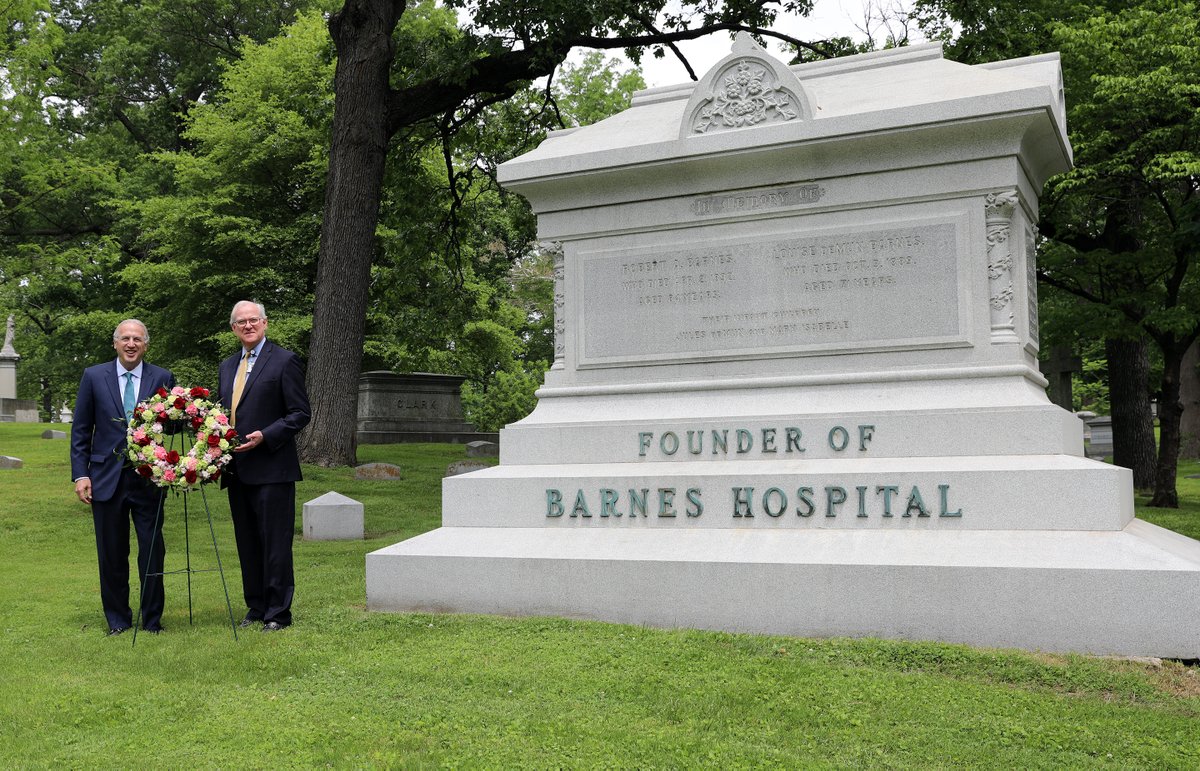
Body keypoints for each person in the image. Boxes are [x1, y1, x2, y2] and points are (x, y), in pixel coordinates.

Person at [70, 319, 176, 636]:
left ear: (146, 344)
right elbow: (80, 430)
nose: (131, 344)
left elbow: (172, 425)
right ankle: (117, 619)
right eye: (125, 338)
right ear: (115, 343)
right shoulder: (93, 376)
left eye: (137, 339)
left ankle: (152, 620)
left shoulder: (162, 377)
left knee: (152, 550)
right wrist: (80, 475)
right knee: (112, 553)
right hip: (104, 478)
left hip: (149, 477)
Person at [218, 301, 310, 632]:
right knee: (248, 542)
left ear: (265, 323)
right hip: (237, 470)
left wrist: (266, 435)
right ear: (233, 328)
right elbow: (221, 414)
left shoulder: (284, 361)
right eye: (240, 322)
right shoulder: (227, 367)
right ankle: (256, 606)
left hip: (273, 468)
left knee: (274, 543)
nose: (247, 325)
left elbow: (300, 413)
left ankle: (277, 613)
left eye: (253, 320)